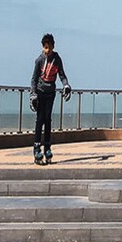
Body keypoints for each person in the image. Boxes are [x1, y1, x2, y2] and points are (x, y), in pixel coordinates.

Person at [30, 33, 70, 165]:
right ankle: (36, 147)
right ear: (43, 47)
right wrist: (33, 94)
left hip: (50, 93)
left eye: (50, 48)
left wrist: (66, 85)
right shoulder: (39, 60)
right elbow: (34, 79)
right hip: (40, 92)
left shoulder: (57, 59)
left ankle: (47, 146)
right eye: (45, 48)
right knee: (40, 119)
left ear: (53, 47)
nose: (48, 50)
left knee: (48, 119)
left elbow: (62, 75)